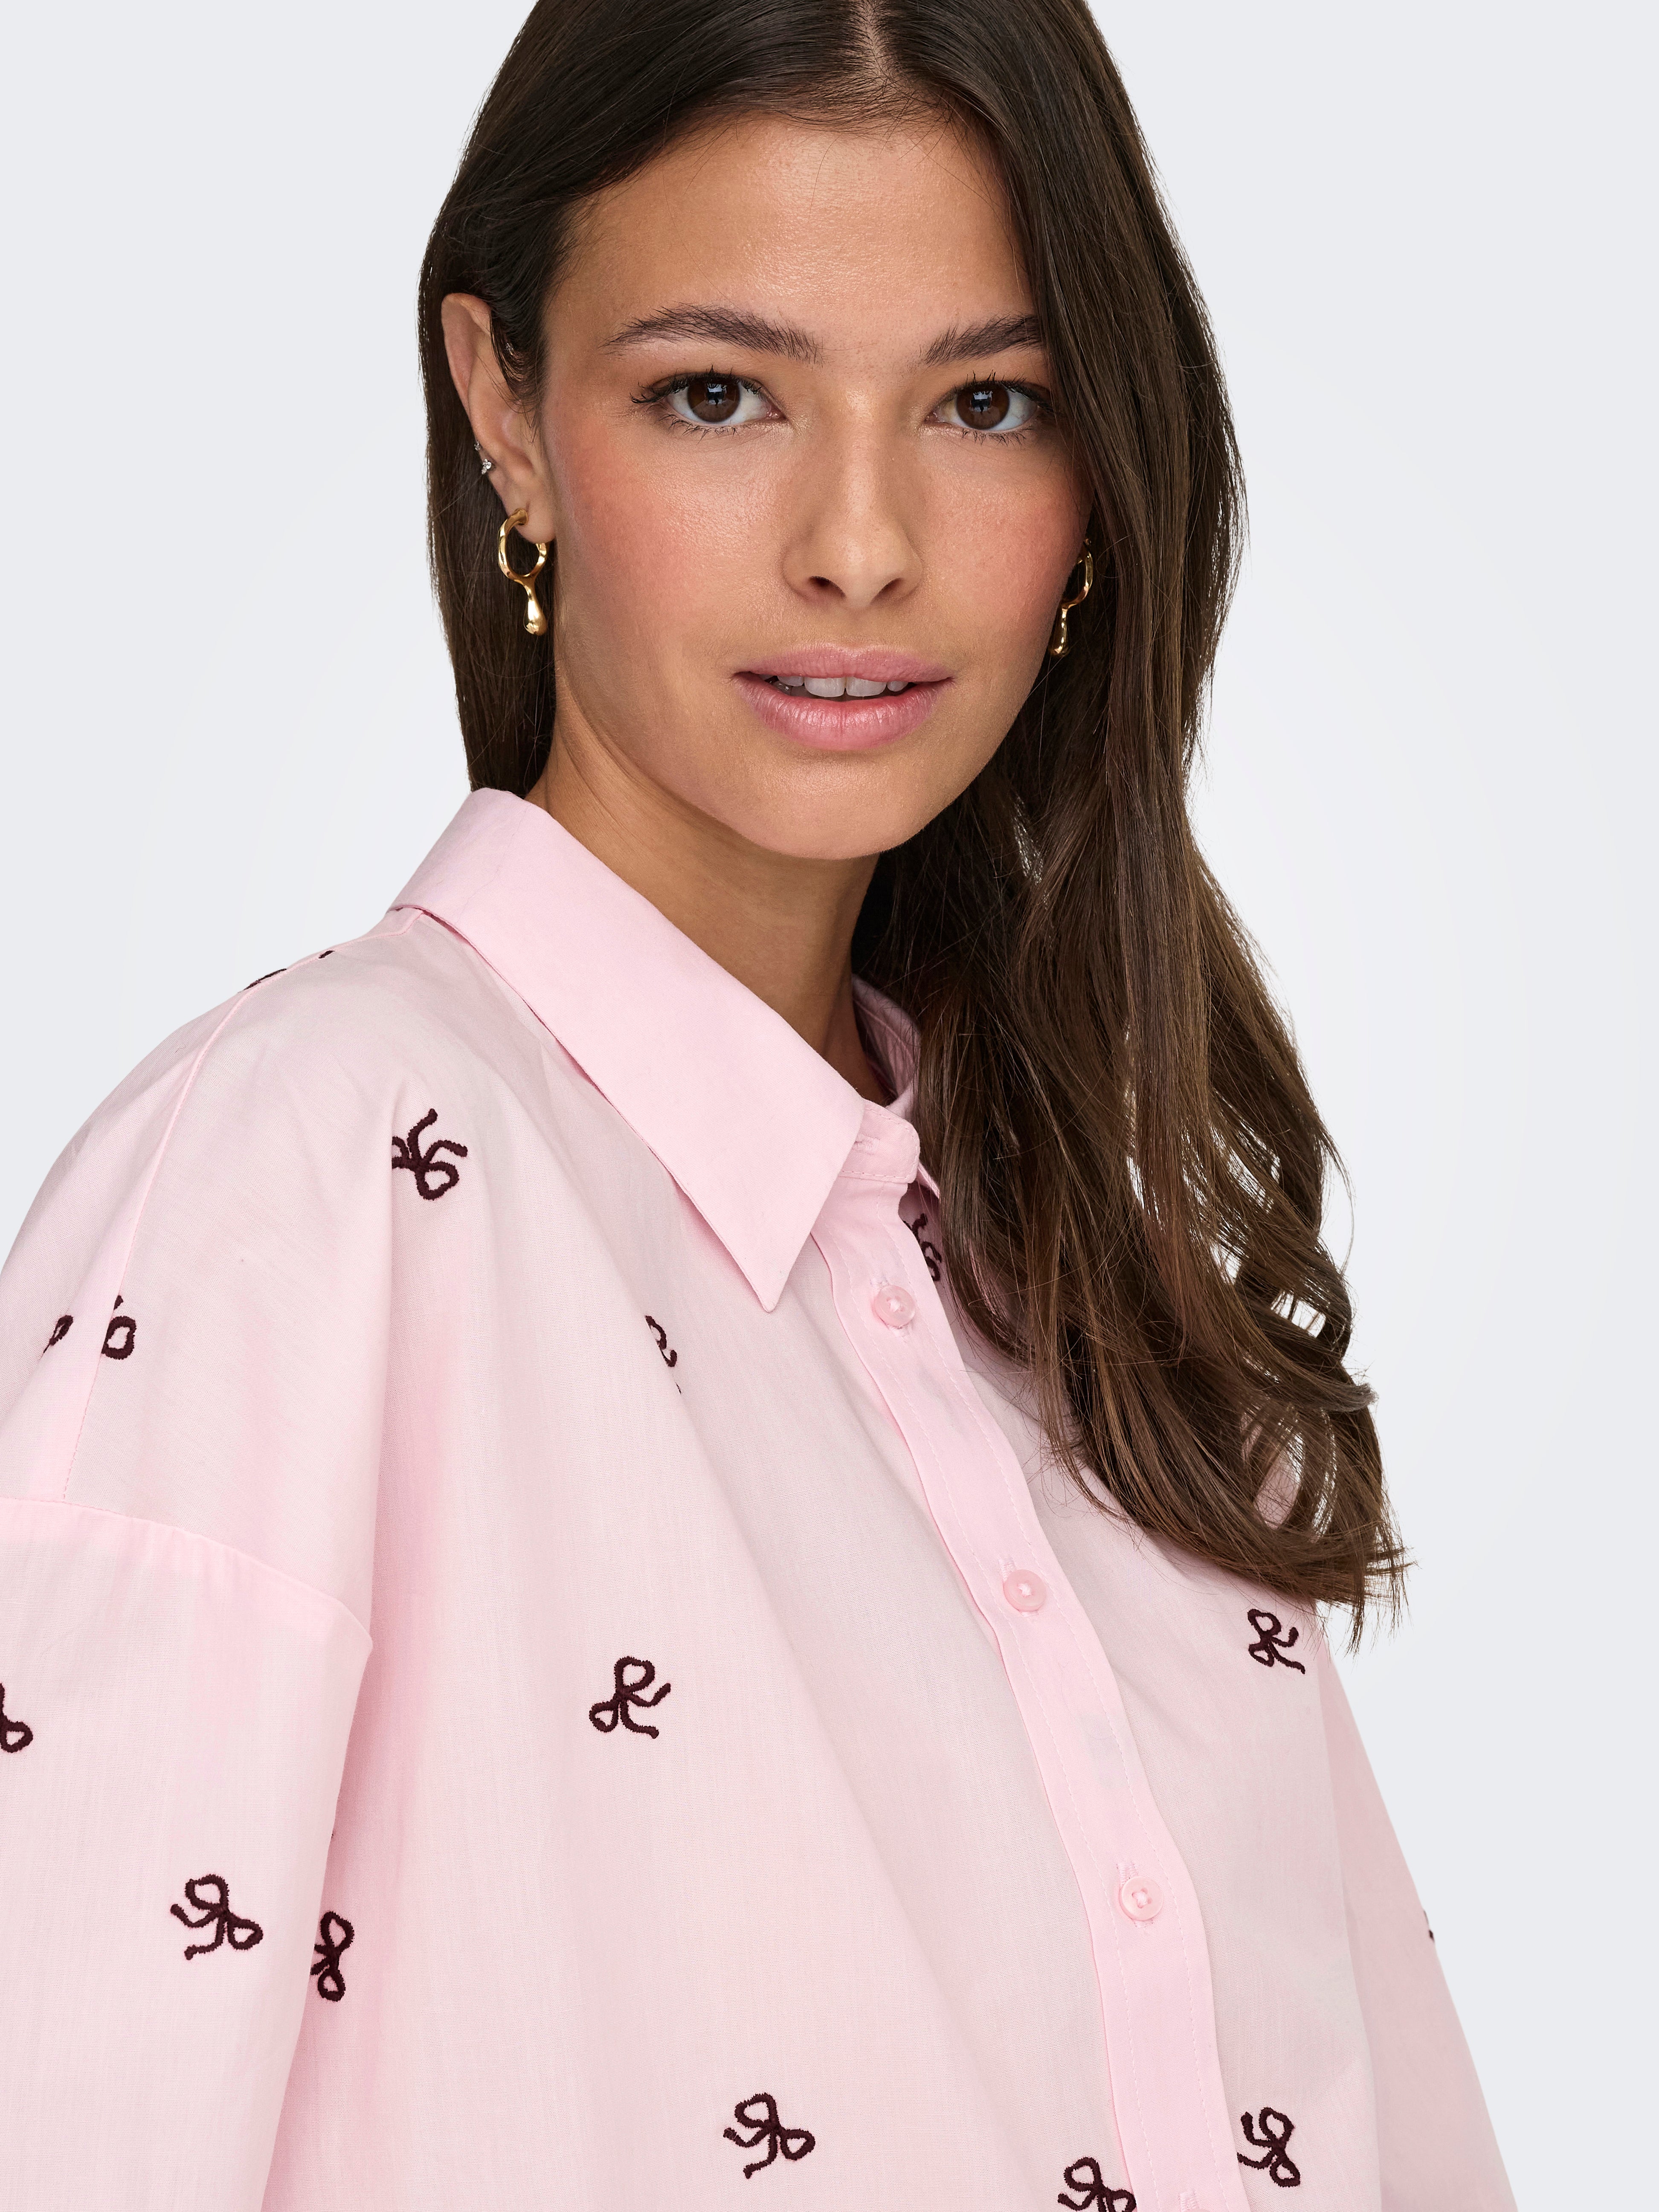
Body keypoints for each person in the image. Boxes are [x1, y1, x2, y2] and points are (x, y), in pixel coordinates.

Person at [0, 1, 1515, 2205]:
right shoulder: (301, 1189)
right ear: (505, 410)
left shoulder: (1073, 1317)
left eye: (986, 403)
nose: (860, 542)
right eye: (718, 393)